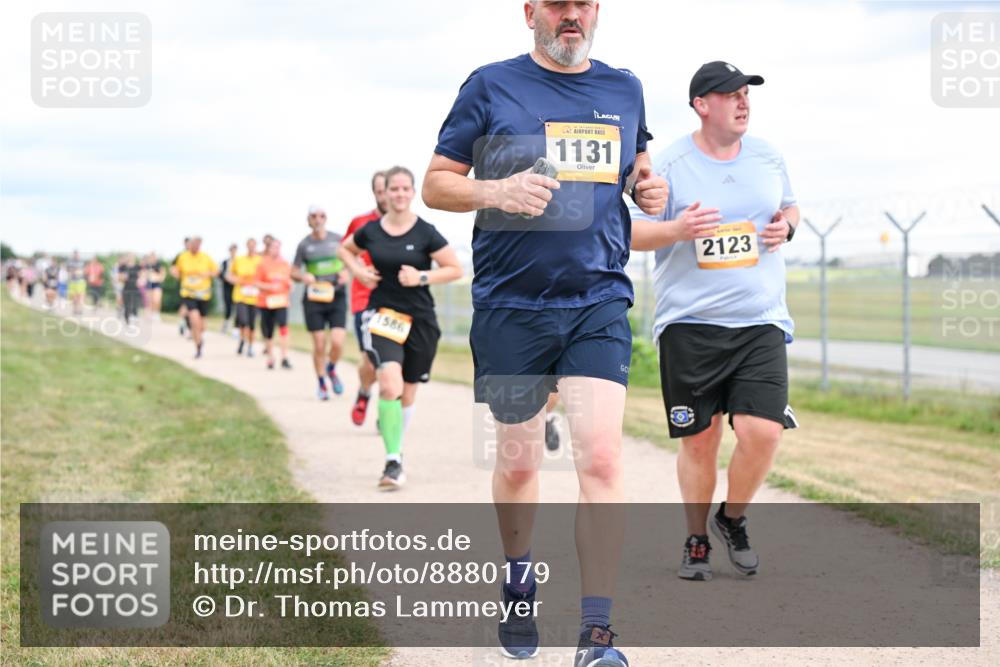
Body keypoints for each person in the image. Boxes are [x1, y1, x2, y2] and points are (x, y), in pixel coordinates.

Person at [422, 1, 667, 663]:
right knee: (521, 459)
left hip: (598, 298)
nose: (571, 16)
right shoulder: (490, 84)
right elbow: (436, 185)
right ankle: (519, 573)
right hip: (511, 305)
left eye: (582, 4)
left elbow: (640, 172)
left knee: (603, 457)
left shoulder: (625, 88)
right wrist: (496, 192)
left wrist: (650, 189)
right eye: (557, 4)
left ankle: (597, 635)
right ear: (530, 11)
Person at [630, 61, 800, 583]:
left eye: (746, 93)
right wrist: (679, 229)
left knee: (762, 432)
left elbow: (791, 209)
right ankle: (696, 538)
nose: (743, 102)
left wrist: (785, 230)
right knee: (699, 440)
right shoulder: (671, 165)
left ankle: (732, 518)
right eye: (730, 94)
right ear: (702, 105)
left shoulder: (769, 156)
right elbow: (632, 234)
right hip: (690, 324)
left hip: (760, 321)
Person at [339, 166, 463, 489]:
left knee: (407, 393)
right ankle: (393, 461)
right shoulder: (371, 231)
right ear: (384, 192)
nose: (399, 194)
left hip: (421, 319)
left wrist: (421, 277)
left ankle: (397, 447)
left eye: (406, 189)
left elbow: (454, 268)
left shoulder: (425, 232)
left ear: (413, 192)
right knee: (390, 384)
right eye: (393, 189)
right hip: (384, 315)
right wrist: (359, 272)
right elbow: (344, 249)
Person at [292, 205, 351, 400]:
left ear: (326, 218)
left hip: (337, 294)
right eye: (314, 216)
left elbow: (353, 259)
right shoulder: (303, 245)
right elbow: (293, 271)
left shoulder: (338, 239)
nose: (318, 219)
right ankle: (321, 384)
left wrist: (346, 272)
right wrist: (303, 276)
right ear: (308, 220)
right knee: (319, 344)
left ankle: (331, 369)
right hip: (314, 298)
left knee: (337, 341)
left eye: (322, 216)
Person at [345, 170, 388, 426]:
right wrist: (359, 272)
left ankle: (387, 409)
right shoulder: (360, 223)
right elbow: (345, 252)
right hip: (365, 298)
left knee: (393, 361)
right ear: (375, 193)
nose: (386, 196)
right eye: (380, 191)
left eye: (389, 189)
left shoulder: (407, 224)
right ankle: (364, 392)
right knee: (372, 360)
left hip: (396, 301)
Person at [171, 236, 217, 358]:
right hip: (189, 293)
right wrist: (175, 273)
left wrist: (207, 273)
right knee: (194, 319)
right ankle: (198, 347)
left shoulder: (206, 257)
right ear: (189, 245)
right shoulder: (183, 257)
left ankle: (199, 337)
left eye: (198, 245)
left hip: (203, 294)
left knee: (202, 325)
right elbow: (175, 269)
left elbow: (216, 272)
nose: (195, 247)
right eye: (193, 245)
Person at [255, 238, 293, 370]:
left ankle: (284, 357)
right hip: (266, 302)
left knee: (283, 327)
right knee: (268, 331)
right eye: (273, 247)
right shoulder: (262, 264)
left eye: (278, 247)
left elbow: (288, 282)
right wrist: (269, 287)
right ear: (268, 249)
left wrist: (289, 286)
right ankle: (270, 357)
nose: (276, 250)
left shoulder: (285, 264)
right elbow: (257, 283)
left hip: (281, 301)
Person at [227, 238, 262, 357]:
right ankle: (242, 339)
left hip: (255, 297)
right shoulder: (239, 260)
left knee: (252, 324)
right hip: (241, 296)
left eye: (254, 245)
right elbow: (229, 275)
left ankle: (250, 346)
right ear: (247, 246)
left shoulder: (260, 260)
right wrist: (237, 280)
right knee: (243, 321)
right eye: (249, 245)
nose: (251, 247)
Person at [174, 237, 192, 337]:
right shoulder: (181, 256)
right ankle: (183, 323)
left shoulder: (197, 255)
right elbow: (174, 269)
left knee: (190, 308)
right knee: (185, 306)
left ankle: (186, 326)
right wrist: (179, 276)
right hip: (183, 286)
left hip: (195, 288)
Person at [219, 243, 238, 334]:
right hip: (227, 287)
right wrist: (226, 278)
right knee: (228, 307)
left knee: (237, 308)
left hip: (237, 287)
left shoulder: (239, 262)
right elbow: (220, 274)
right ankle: (226, 324)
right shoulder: (225, 262)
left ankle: (235, 328)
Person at [118, 253, 143, 324]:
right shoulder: (123, 267)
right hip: (126, 288)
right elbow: (119, 278)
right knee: (127, 305)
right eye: (129, 256)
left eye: (132, 256)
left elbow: (142, 276)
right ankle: (127, 319)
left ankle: (135, 317)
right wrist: (123, 277)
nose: (131, 258)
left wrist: (141, 279)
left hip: (136, 288)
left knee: (135, 304)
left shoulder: (138, 267)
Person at [143, 253, 166, 320]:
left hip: (157, 285)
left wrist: (157, 278)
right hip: (149, 285)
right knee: (150, 300)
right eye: (151, 257)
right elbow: (144, 274)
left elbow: (162, 275)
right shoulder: (147, 266)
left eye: (153, 257)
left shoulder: (159, 265)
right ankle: (150, 314)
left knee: (157, 300)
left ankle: (156, 313)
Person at [66, 250, 86, 315]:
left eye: (77, 254)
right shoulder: (70, 262)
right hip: (73, 281)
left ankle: (80, 310)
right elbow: (68, 270)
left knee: (80, 296)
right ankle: (75, 309)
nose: (76, 256)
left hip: (80, 281)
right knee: (74, 297)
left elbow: (83, 271)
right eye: (75, 254)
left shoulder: (81, 262)